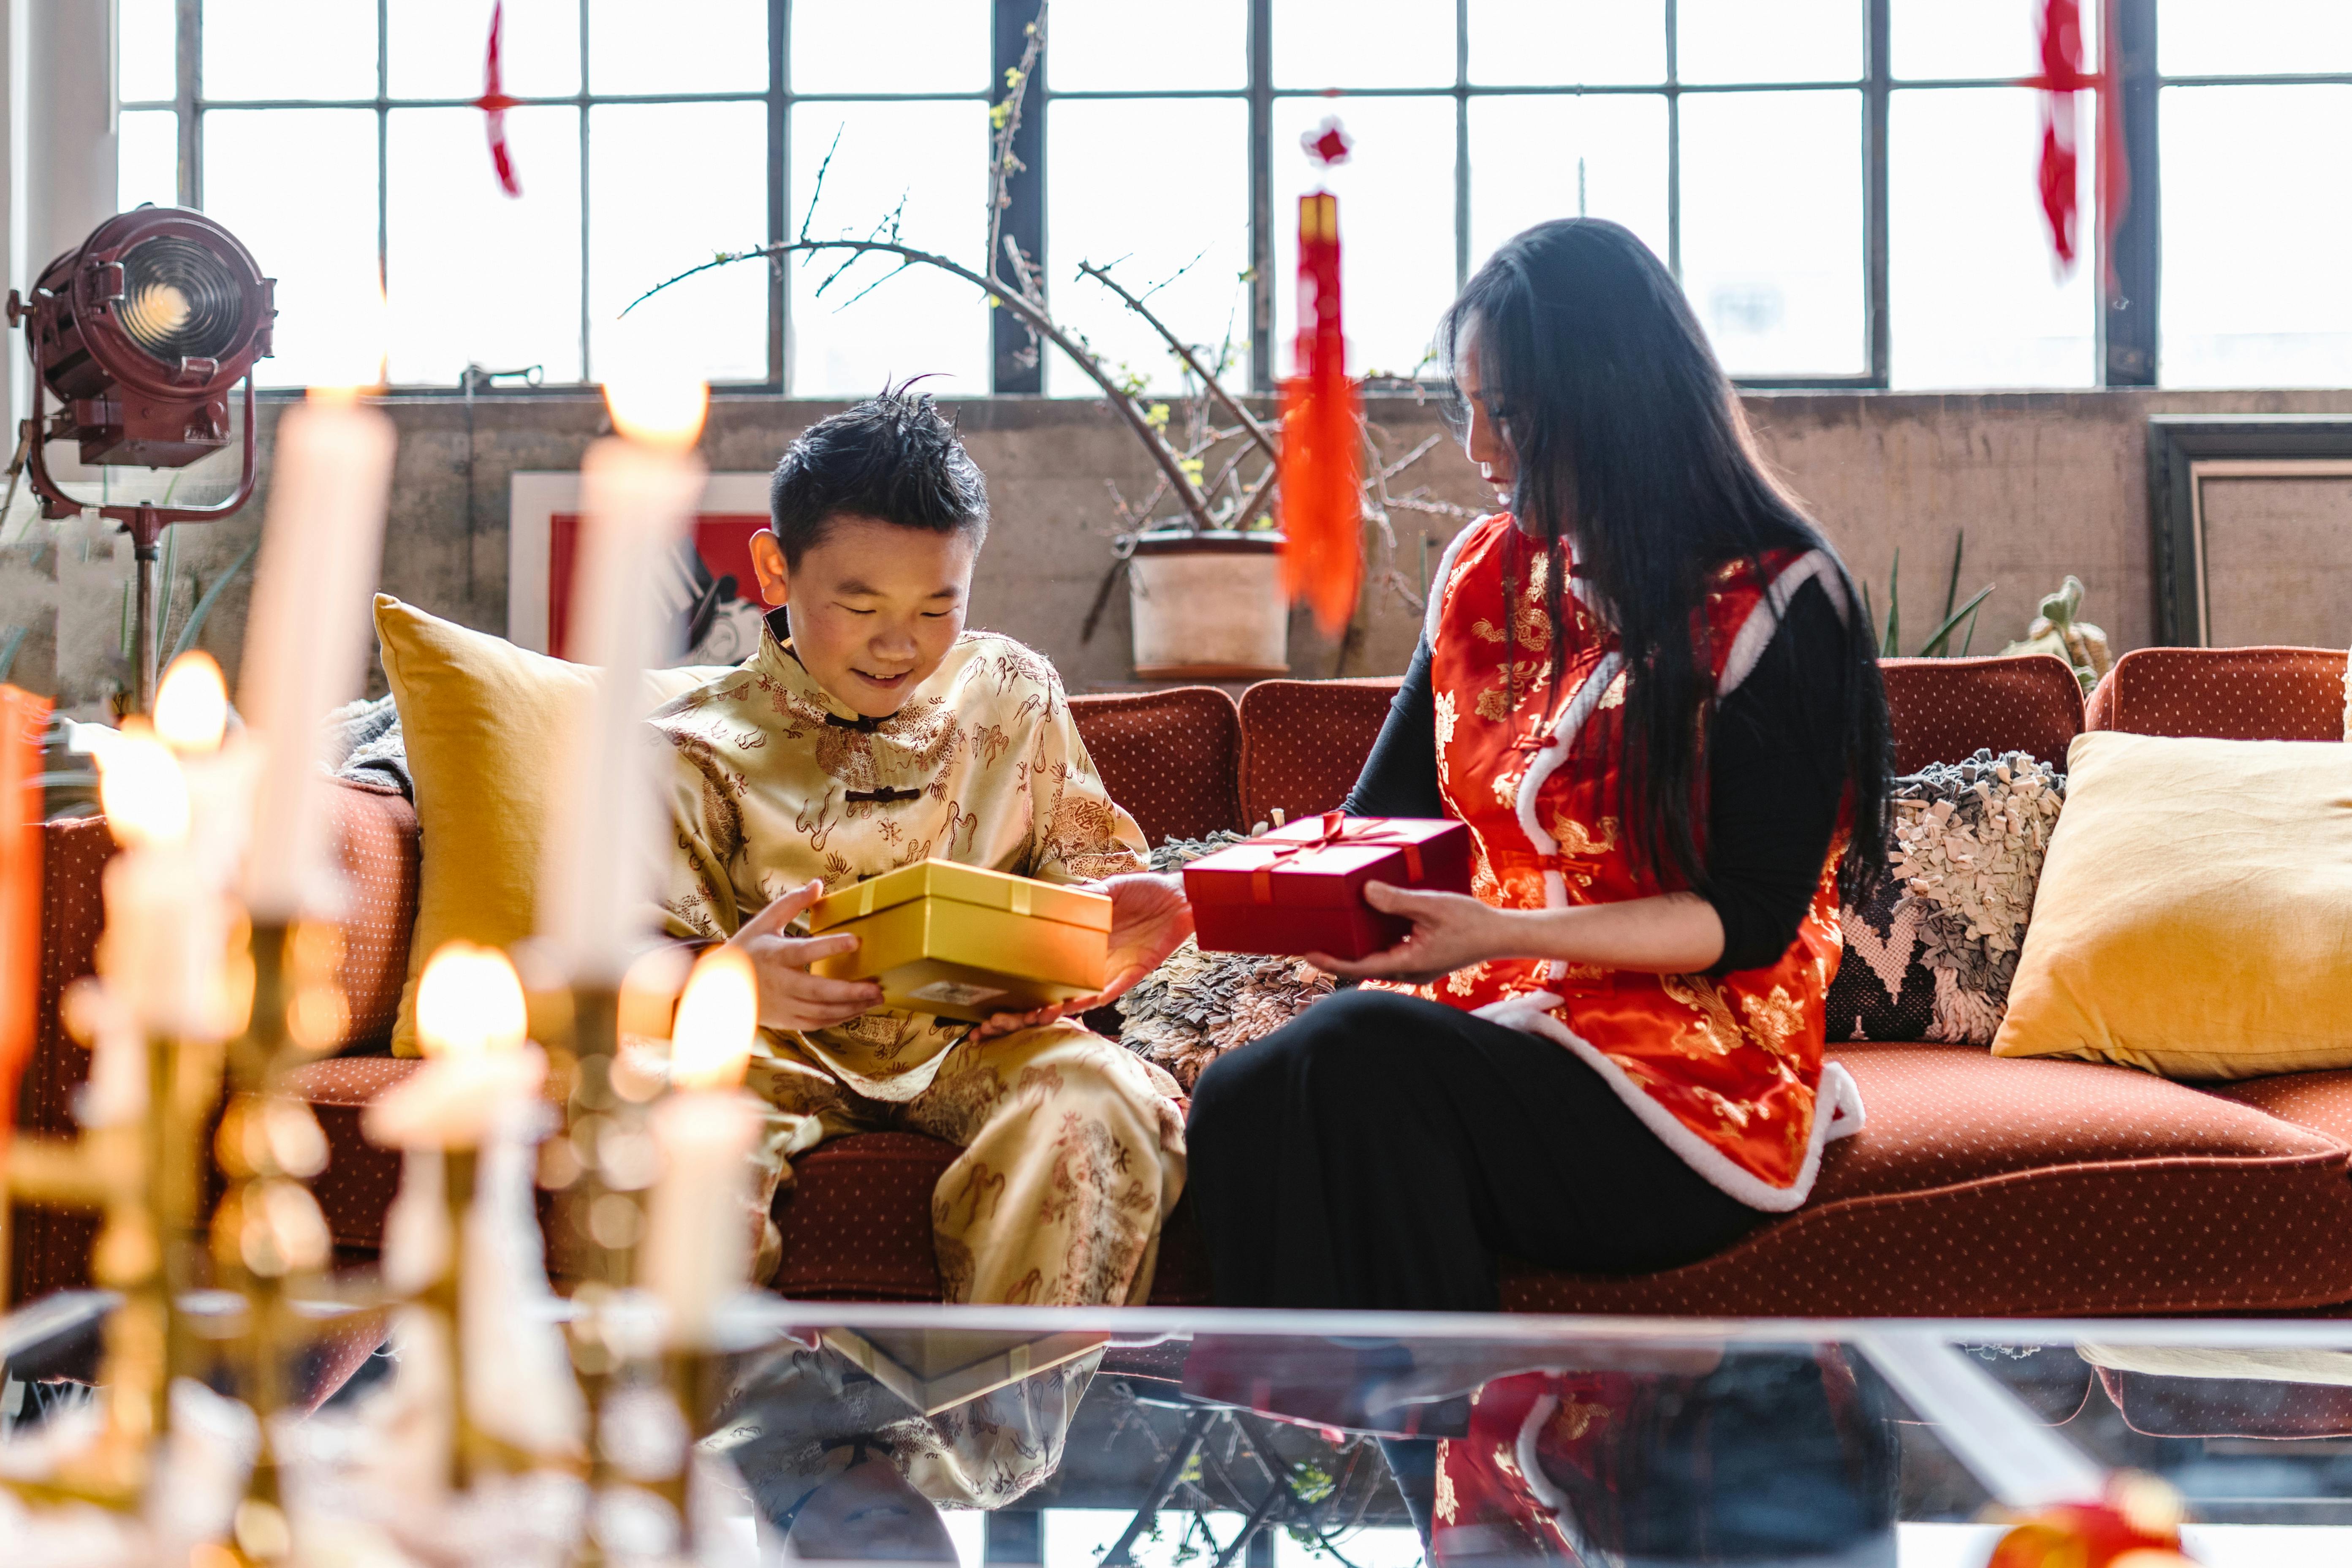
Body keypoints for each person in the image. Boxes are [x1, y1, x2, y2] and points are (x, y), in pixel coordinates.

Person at [1184, 217, 1893, 1313]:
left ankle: (1429, 1439)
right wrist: (1185, 905)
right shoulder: (1481, 575)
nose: (1478, 447)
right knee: (1241, 1095)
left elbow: (1747, 916)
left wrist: (1507, 932)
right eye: (1464, 405)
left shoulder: (1785, 602)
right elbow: (1379, 827)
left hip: (1689, 1082)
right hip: (1501, 1033)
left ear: (1611, 399)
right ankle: (1313, 1440)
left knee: (1357, 1063)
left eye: (1506, 413)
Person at [648, 388, 1193, 1305]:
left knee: (1103, 1098)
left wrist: (1098, 950)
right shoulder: (689, 745)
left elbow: (1096, 881)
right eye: (858, 607)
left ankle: (993, 1444)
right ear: (776, 571)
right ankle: (693, 1443)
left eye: (938, 609)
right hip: (767, 1060)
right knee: (659, 1120)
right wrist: (722, 978)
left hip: (980, 1045)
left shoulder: (1014, 691)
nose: (900, 645)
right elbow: (624, 956)